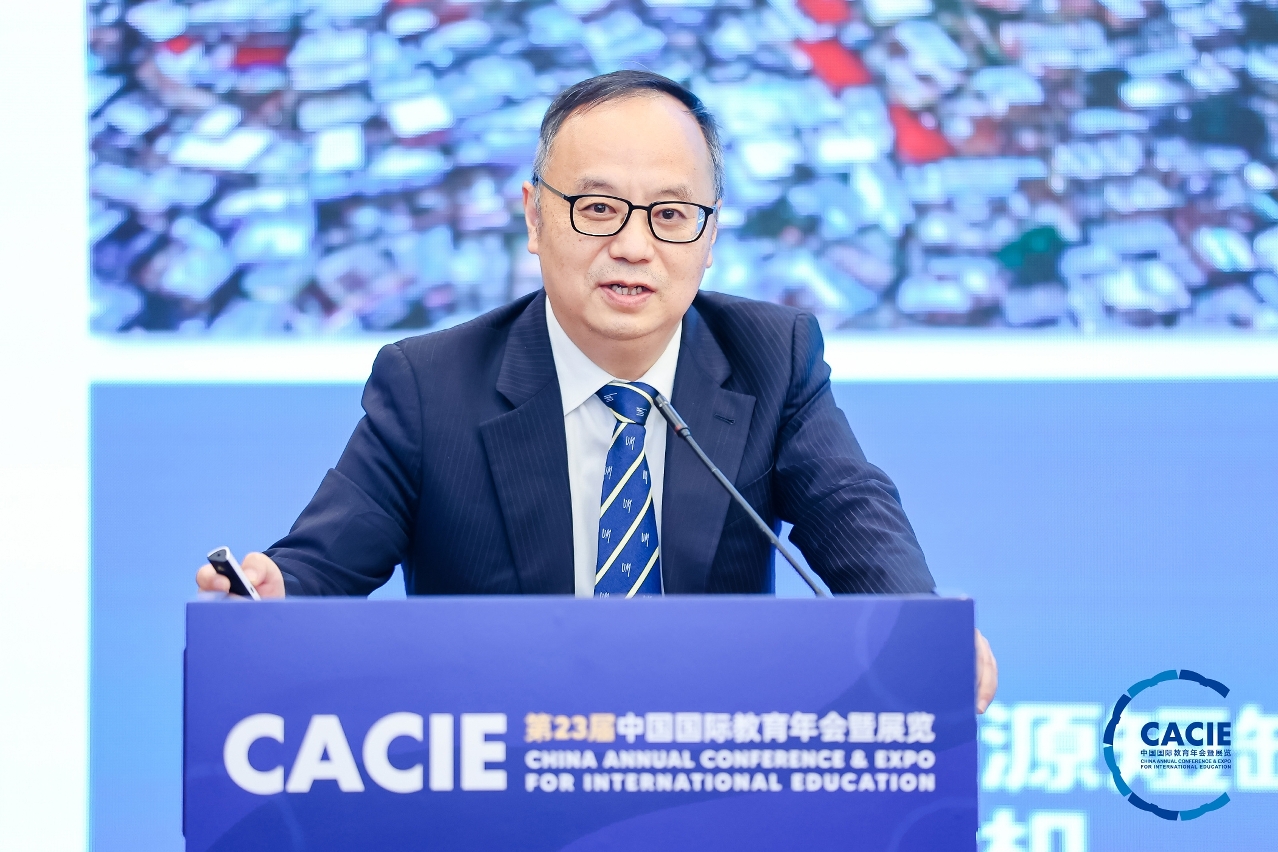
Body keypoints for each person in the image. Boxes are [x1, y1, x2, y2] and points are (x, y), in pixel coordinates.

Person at [197, 71, 998, 711]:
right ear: (535, 217)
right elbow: (321, 565)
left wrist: (920, 631)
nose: (634, 246)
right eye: (599, 208)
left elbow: (853, 513)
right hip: (497, 788)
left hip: (713, 782)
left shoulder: (770, 358)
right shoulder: (429, 386)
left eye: (671, 214)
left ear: (711, 236)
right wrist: (270, 597)